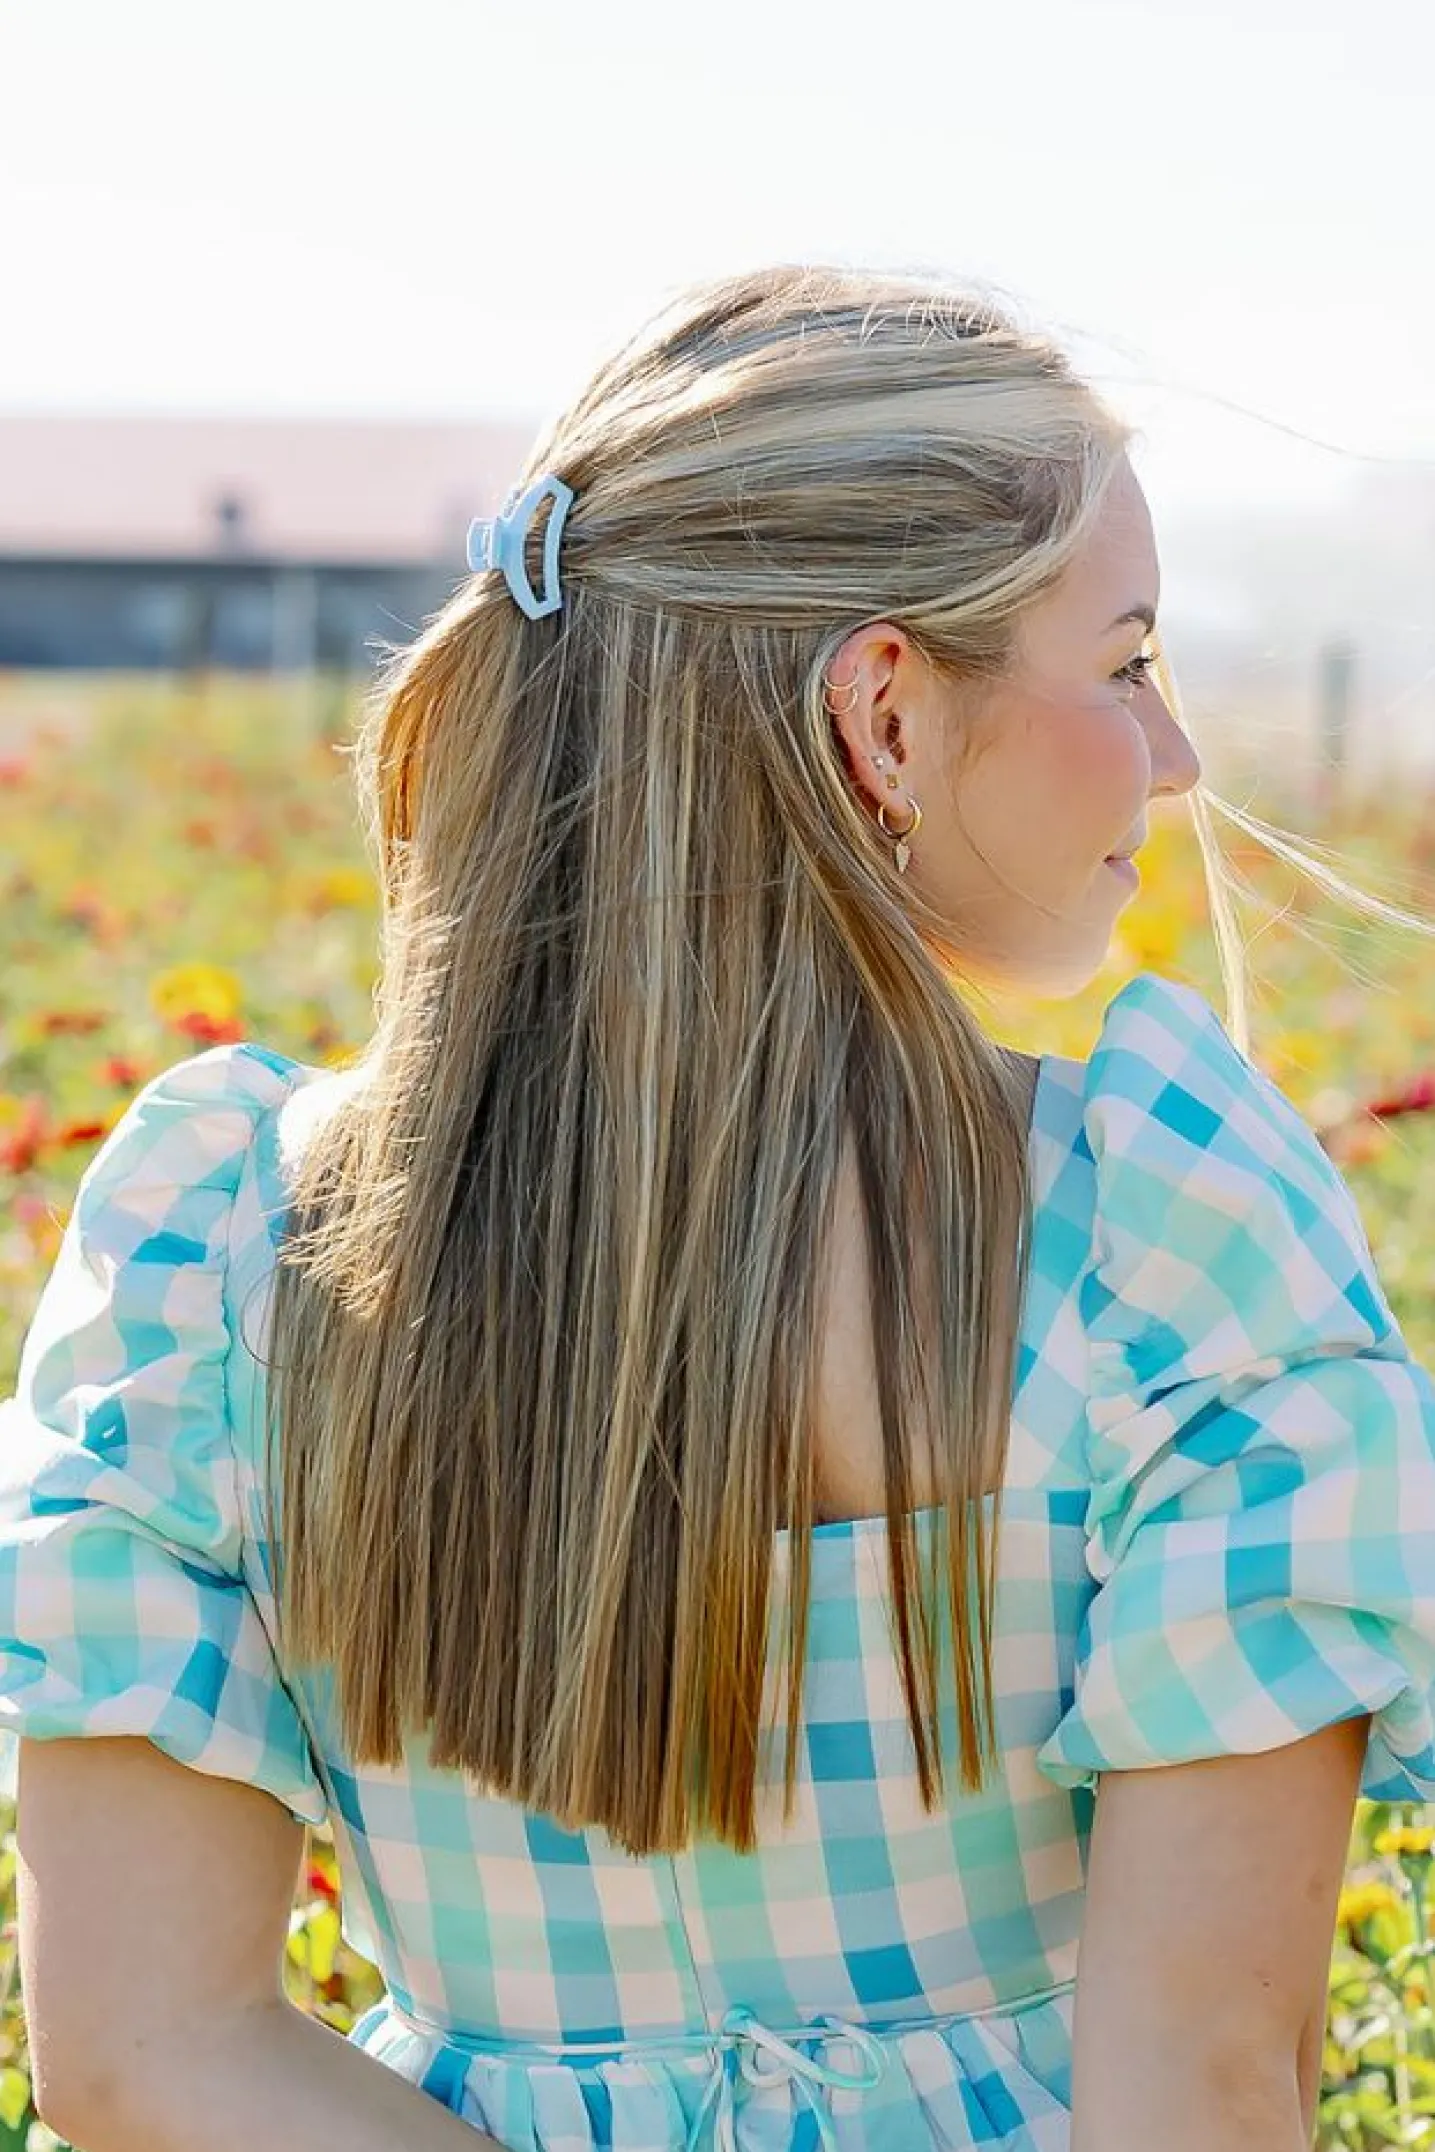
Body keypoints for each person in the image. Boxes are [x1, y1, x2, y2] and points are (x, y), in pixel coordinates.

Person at [2, 264, 1433, 2152]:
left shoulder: (217, 1260)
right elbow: (1203, 2093)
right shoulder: (1165, 1242)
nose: (1169, 760)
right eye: (1124, 663)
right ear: (883, 717)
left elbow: (141, 2050)